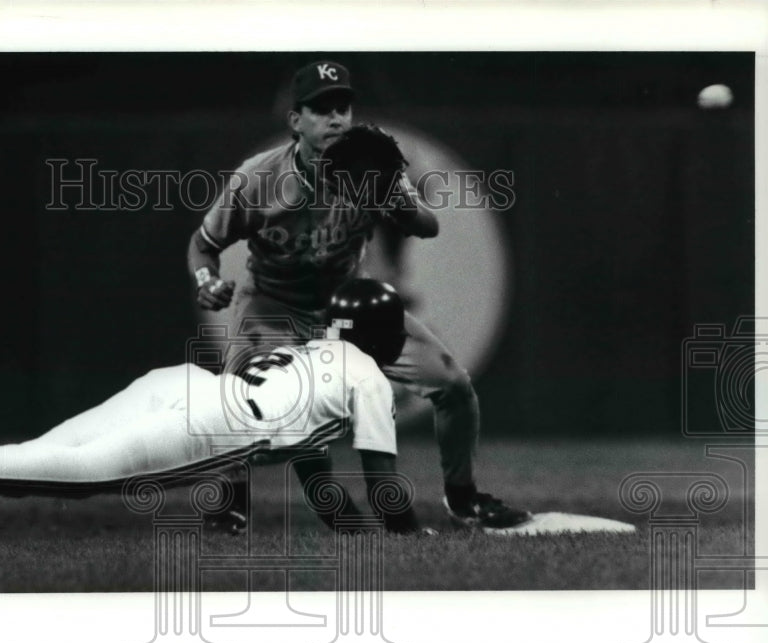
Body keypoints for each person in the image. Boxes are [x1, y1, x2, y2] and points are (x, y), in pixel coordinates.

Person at [0, 279, 423, 549]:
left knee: (38, 454)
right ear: (385, 333)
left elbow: (312, 469)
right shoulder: (369, 378)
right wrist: (405, 535)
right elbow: (384, 486)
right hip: (215, 423)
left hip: (179, 383)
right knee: (73, 475)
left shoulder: (312, 352)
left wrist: (343, 523)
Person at [189, 58, 530, 529]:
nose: (335, 118)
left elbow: (427, 226)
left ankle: (463, 498)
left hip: (347, 306)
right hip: (274, 306)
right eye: (320, 108)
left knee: (451, 383)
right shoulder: (258, 178)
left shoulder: (369, 164)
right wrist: (207, 281)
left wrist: (392, 199)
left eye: (343, 108)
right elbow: (203, 245)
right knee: (239, 402)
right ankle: (231, 498)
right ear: (295, 121)